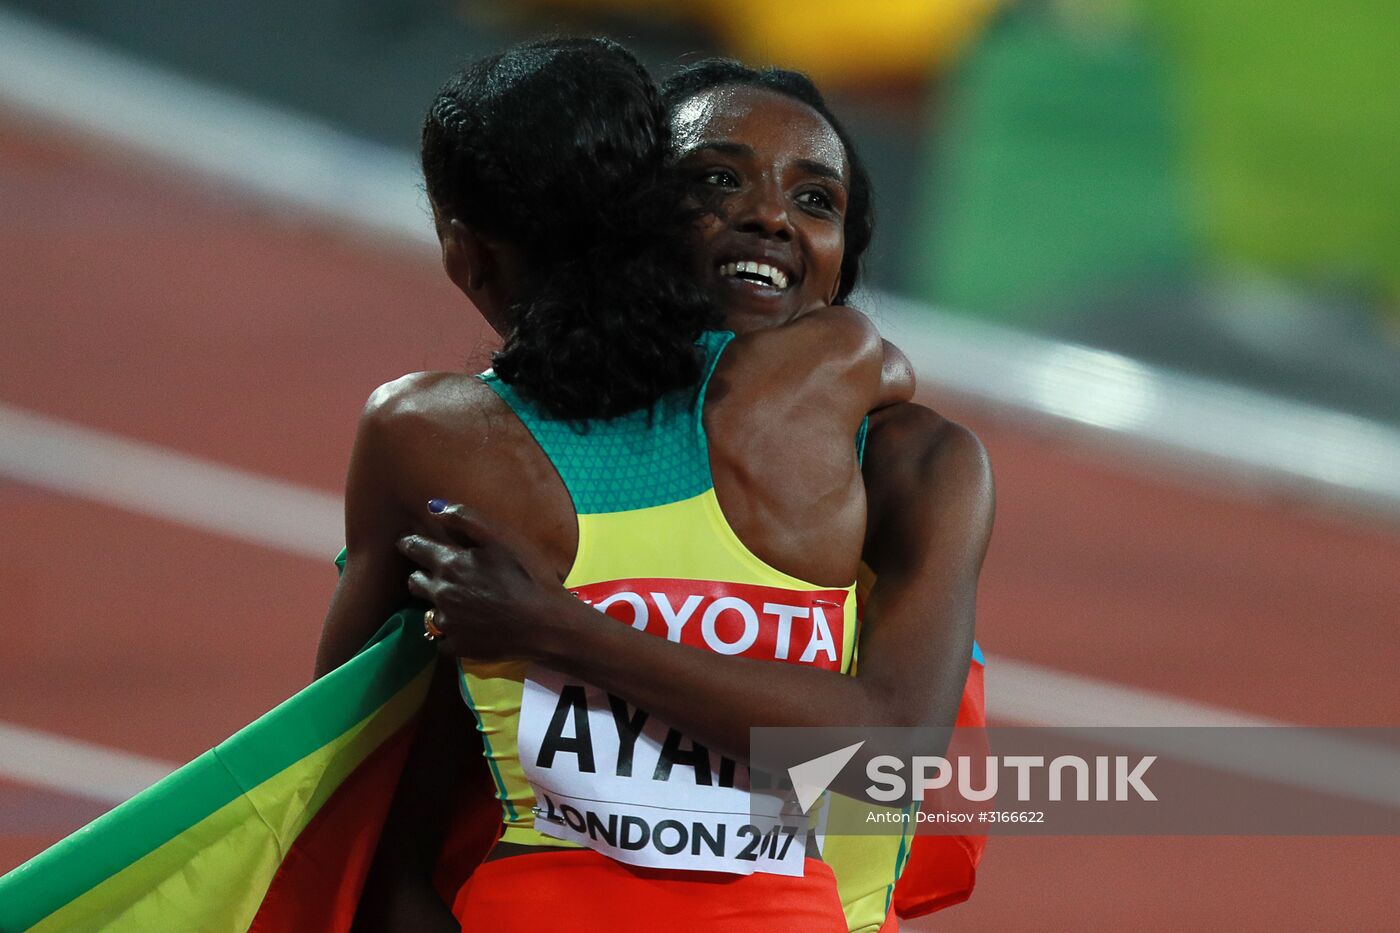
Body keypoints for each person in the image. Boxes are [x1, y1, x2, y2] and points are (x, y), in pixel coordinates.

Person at [317, 38, 920, 931]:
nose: (767, 218)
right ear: (643, 214)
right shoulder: (847, 371)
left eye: (814, 199)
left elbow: (343, 785)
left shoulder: (426, 434)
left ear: (465, 255)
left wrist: (557, 627)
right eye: (716, 182)